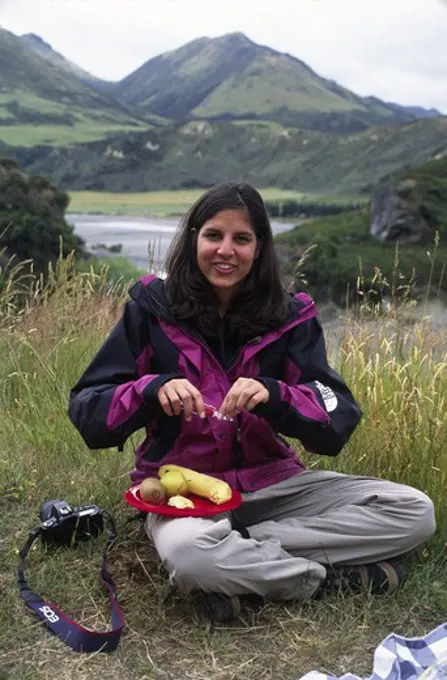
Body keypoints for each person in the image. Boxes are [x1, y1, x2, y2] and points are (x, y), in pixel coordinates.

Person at [68, 183, 436, 623]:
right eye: (213, 235)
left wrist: (276, 395)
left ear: (259, 248)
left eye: (241, 239)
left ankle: (239, 550)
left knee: (415, 512)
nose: (226, 251)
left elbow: (336, 413)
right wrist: (150, 389)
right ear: (193, 240)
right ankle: (331, 579)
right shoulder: (152, 310)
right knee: (190, 556)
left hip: (274, 484)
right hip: (184, 494)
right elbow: (89, 408)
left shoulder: (290, 316)